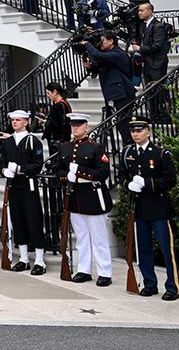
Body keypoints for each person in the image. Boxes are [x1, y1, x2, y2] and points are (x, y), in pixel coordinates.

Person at [48, 113, 113, 285]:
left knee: (99, 238)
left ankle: (104, 272)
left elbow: (103, 172)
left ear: (86, 126)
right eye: (73, 125)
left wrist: (80, 172)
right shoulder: (65, 147)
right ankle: (84, 270)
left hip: (92, 196)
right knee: (82, 237)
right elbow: (58, 171)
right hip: (75, 198)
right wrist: (67, 176)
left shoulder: (96, 147)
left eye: (79, 125)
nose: (75, 128)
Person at [122, 116, 179, 301]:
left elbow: (170, 179)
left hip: (159, 208)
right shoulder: (128, 153)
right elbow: (122, 173)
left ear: (148, 131)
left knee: (166, 249)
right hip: (139, 208)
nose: (135, 134)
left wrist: (147, 183)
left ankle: (172, 286)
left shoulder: (161, 154)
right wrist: (127, 184)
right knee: (143, 249)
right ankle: (149, 283)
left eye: (139, 131)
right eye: (133, 131)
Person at [0, 110, 47, 274]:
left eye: (18, 120)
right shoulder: (8, 142)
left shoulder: (33, 141)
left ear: (26, 122)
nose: (14, 123)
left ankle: (40, 260)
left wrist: (21, 169)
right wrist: (4, 170)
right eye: (13, 120)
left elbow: (37, 164)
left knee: (33, 221)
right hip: (14, 186)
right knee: (18, 222)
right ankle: (24, 258)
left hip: (28, 185)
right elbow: (3, 161)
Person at [83, 31, 137, 143]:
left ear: (111, 41)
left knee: (124, 124)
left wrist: (88, 44)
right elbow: (99, 67)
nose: (100, 44)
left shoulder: (118, 53)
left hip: (124, 93)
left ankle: (130, 148)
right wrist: (89, 67)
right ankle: (128, 147)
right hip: (117, 93)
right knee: (121, 124)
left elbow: (98, 55)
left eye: (103, 41)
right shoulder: (109, 55)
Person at [131, 2, 172, 122]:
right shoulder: (142, 25)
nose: (139, 13)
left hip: (157, 63)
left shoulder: (157, 26)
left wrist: (140, 49)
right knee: (149, 89)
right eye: (139, 11)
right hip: (147, 62)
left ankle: (162, 113)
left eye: (142, 10)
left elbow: (158, 45)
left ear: (150, 11)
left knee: (158, 88)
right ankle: (153, 114)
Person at [42, 82, 72, 153]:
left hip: (58, 140)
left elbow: (61, 123)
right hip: (61, 139)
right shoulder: (64, 104)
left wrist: (47, 123)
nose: (47, 96)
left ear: (55, 92)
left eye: (48, 93)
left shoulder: (60, 105)